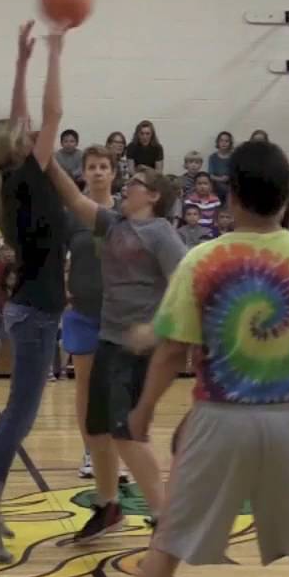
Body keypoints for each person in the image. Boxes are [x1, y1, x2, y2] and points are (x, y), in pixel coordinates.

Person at [126, 140, 289, 577]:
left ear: (231, 197)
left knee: (166, 546)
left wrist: (143, 411)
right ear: (288, 196)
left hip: (218, 420)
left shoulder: (202, 260)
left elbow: (171, 352)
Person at [0, 22, 67, 563]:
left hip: (31, 310)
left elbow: (23, 121)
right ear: (20, 149)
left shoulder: (14, 177)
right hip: (37, 314)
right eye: (26, 138)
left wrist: (22, 61)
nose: (34, 137)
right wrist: (56, 52)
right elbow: (50, 116)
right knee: (21, 414)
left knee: (17, 412)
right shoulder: (29, 176)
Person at [48, 155, 186, 543]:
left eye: (136, 181)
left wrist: (156, 328)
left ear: (154, 196)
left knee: (126, 431)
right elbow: (75, 200)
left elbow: (185, 287)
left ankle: (165, 516)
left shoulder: (161, 234)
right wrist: (48, 163)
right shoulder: (114, 225)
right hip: (109, 338)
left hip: (140, 349)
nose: (127, 185)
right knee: (96, 428)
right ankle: (109, 506)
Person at [61, 145, 123, 479]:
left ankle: (114, 450)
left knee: (115, 386)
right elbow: (58, 255)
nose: (98, 172)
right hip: (83, 310)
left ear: (113, 172)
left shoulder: (127, 214)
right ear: (83, 173)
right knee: (85, 383)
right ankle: (90, 452)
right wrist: (63, 287)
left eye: (104, 166)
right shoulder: (72, 214)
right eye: (92, 167)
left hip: (118, 314)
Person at [206, 131, 233, 199]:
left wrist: (228, 178)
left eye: (227, 141)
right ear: (218, 142)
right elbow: (210, 175)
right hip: (216, 184)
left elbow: (235, 173)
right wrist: (220, 179)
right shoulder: (212, 157)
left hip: (230, 184)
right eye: (221, 140)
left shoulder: (234, 157)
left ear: (230, 143)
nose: (224, 143)